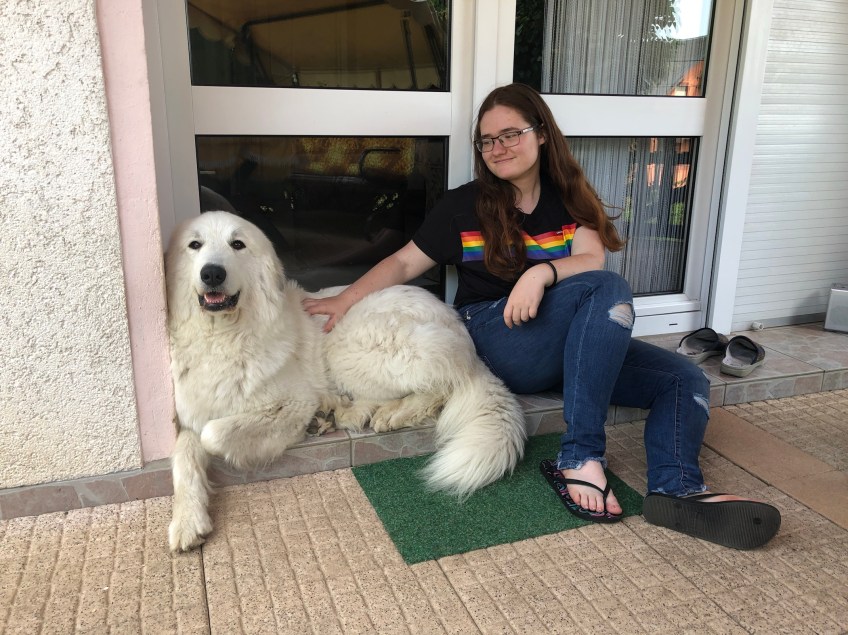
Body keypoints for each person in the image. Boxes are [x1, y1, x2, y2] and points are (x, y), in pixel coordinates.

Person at [305, 83, 780, 549]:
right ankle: (579, 457)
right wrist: (345, 299)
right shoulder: (464, 204)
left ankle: (676, 490)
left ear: (541, 134)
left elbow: (591, 259)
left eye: (511, 133)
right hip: (494, 336)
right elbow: (405, 262)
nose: (498, 147)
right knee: (608, 289)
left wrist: (540, 274)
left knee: (684, 381)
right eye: (488, 140)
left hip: (561, 343)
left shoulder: (569, 197)